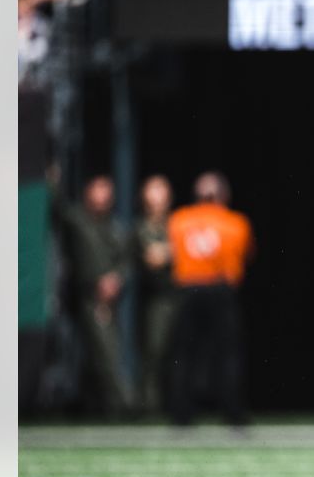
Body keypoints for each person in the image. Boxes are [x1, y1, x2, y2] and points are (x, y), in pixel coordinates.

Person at [166, 172, 254, 428]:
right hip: (220, 289)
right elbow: (246, 255)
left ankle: (181, 413)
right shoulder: (235, 223)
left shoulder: (179, 220)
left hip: (188, 290)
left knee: (185, 354)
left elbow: (171, 255)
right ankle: (233, 413)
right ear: (223, 196)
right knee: (228, 354)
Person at [55, 174, 136, 418]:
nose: (103, 197)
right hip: (83, 294)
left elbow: (125, 261)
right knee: (92, 351)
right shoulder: (78, 220)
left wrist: (117, 279)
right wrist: (52, 178)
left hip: (107, 298)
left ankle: (117, 405)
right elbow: (59, 207)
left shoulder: (115, 227)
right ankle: (120, 404)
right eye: (98, 190)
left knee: (106, 349)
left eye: (107, 192)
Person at [137, 175, 176, 414]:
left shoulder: (175, 223)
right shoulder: (143, 227)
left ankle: (179, 403)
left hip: (179, 295)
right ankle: (150, 404)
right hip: (157, 299)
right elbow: (153, 258)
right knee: (155, 350)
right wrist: (177, 249)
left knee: (180, 352)